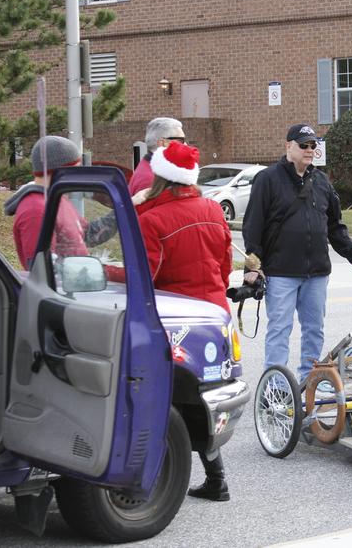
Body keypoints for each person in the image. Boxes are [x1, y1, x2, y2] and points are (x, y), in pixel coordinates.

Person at [135, 140, 234, 502]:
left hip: (175, 319)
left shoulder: (152, 219)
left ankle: (156, 478)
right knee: (206, 396)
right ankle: (216, 478)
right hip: (214, 315)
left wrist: (107, 273)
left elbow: (145, 276)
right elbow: (225, 267)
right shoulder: (211, 208)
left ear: (160, 177)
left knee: (164, 396)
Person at [242, 123, 352, 381]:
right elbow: (253, 225)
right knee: (279, 329)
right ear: (288, 146)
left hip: (317, 273)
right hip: (281, 272)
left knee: (314, 330)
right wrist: (252, 267)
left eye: (313, 145)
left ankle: (307, 384)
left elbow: (335, 226)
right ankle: (275, 387)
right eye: (304, 145)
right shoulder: (267, 179)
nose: (310, 150)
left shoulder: (322, 181)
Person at [5, 135, 116, 269]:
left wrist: (125, 209)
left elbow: (88, 234)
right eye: (76, 168)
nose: (79, 176)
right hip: (64, 289)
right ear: (61, 171)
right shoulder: (35, 210)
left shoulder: (57, 198)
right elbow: (43, 271)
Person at [128, 117, 186, 194]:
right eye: (180, 141)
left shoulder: (152, 169)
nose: (185, 145)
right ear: (162, 143)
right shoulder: (150, 179)